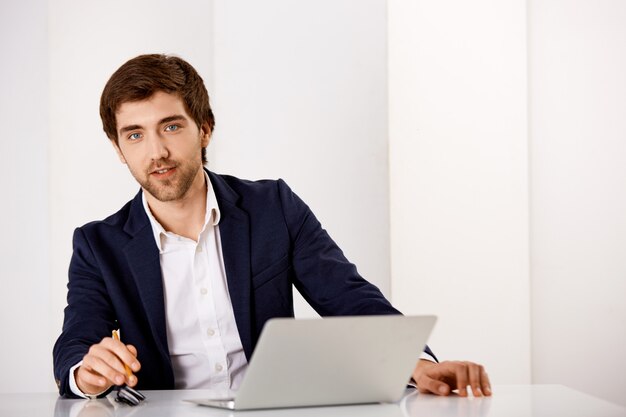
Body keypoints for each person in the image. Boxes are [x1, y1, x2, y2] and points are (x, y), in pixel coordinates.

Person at [53, 54, 492, 400]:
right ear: (117, 148)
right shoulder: (98, 244)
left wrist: (415, 362)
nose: (157, 151)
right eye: (135, 135)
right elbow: (75, 343)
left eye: (171, 126)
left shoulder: (273, 208)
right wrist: (87, 372)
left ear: (204, 129)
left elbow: (348, 298)